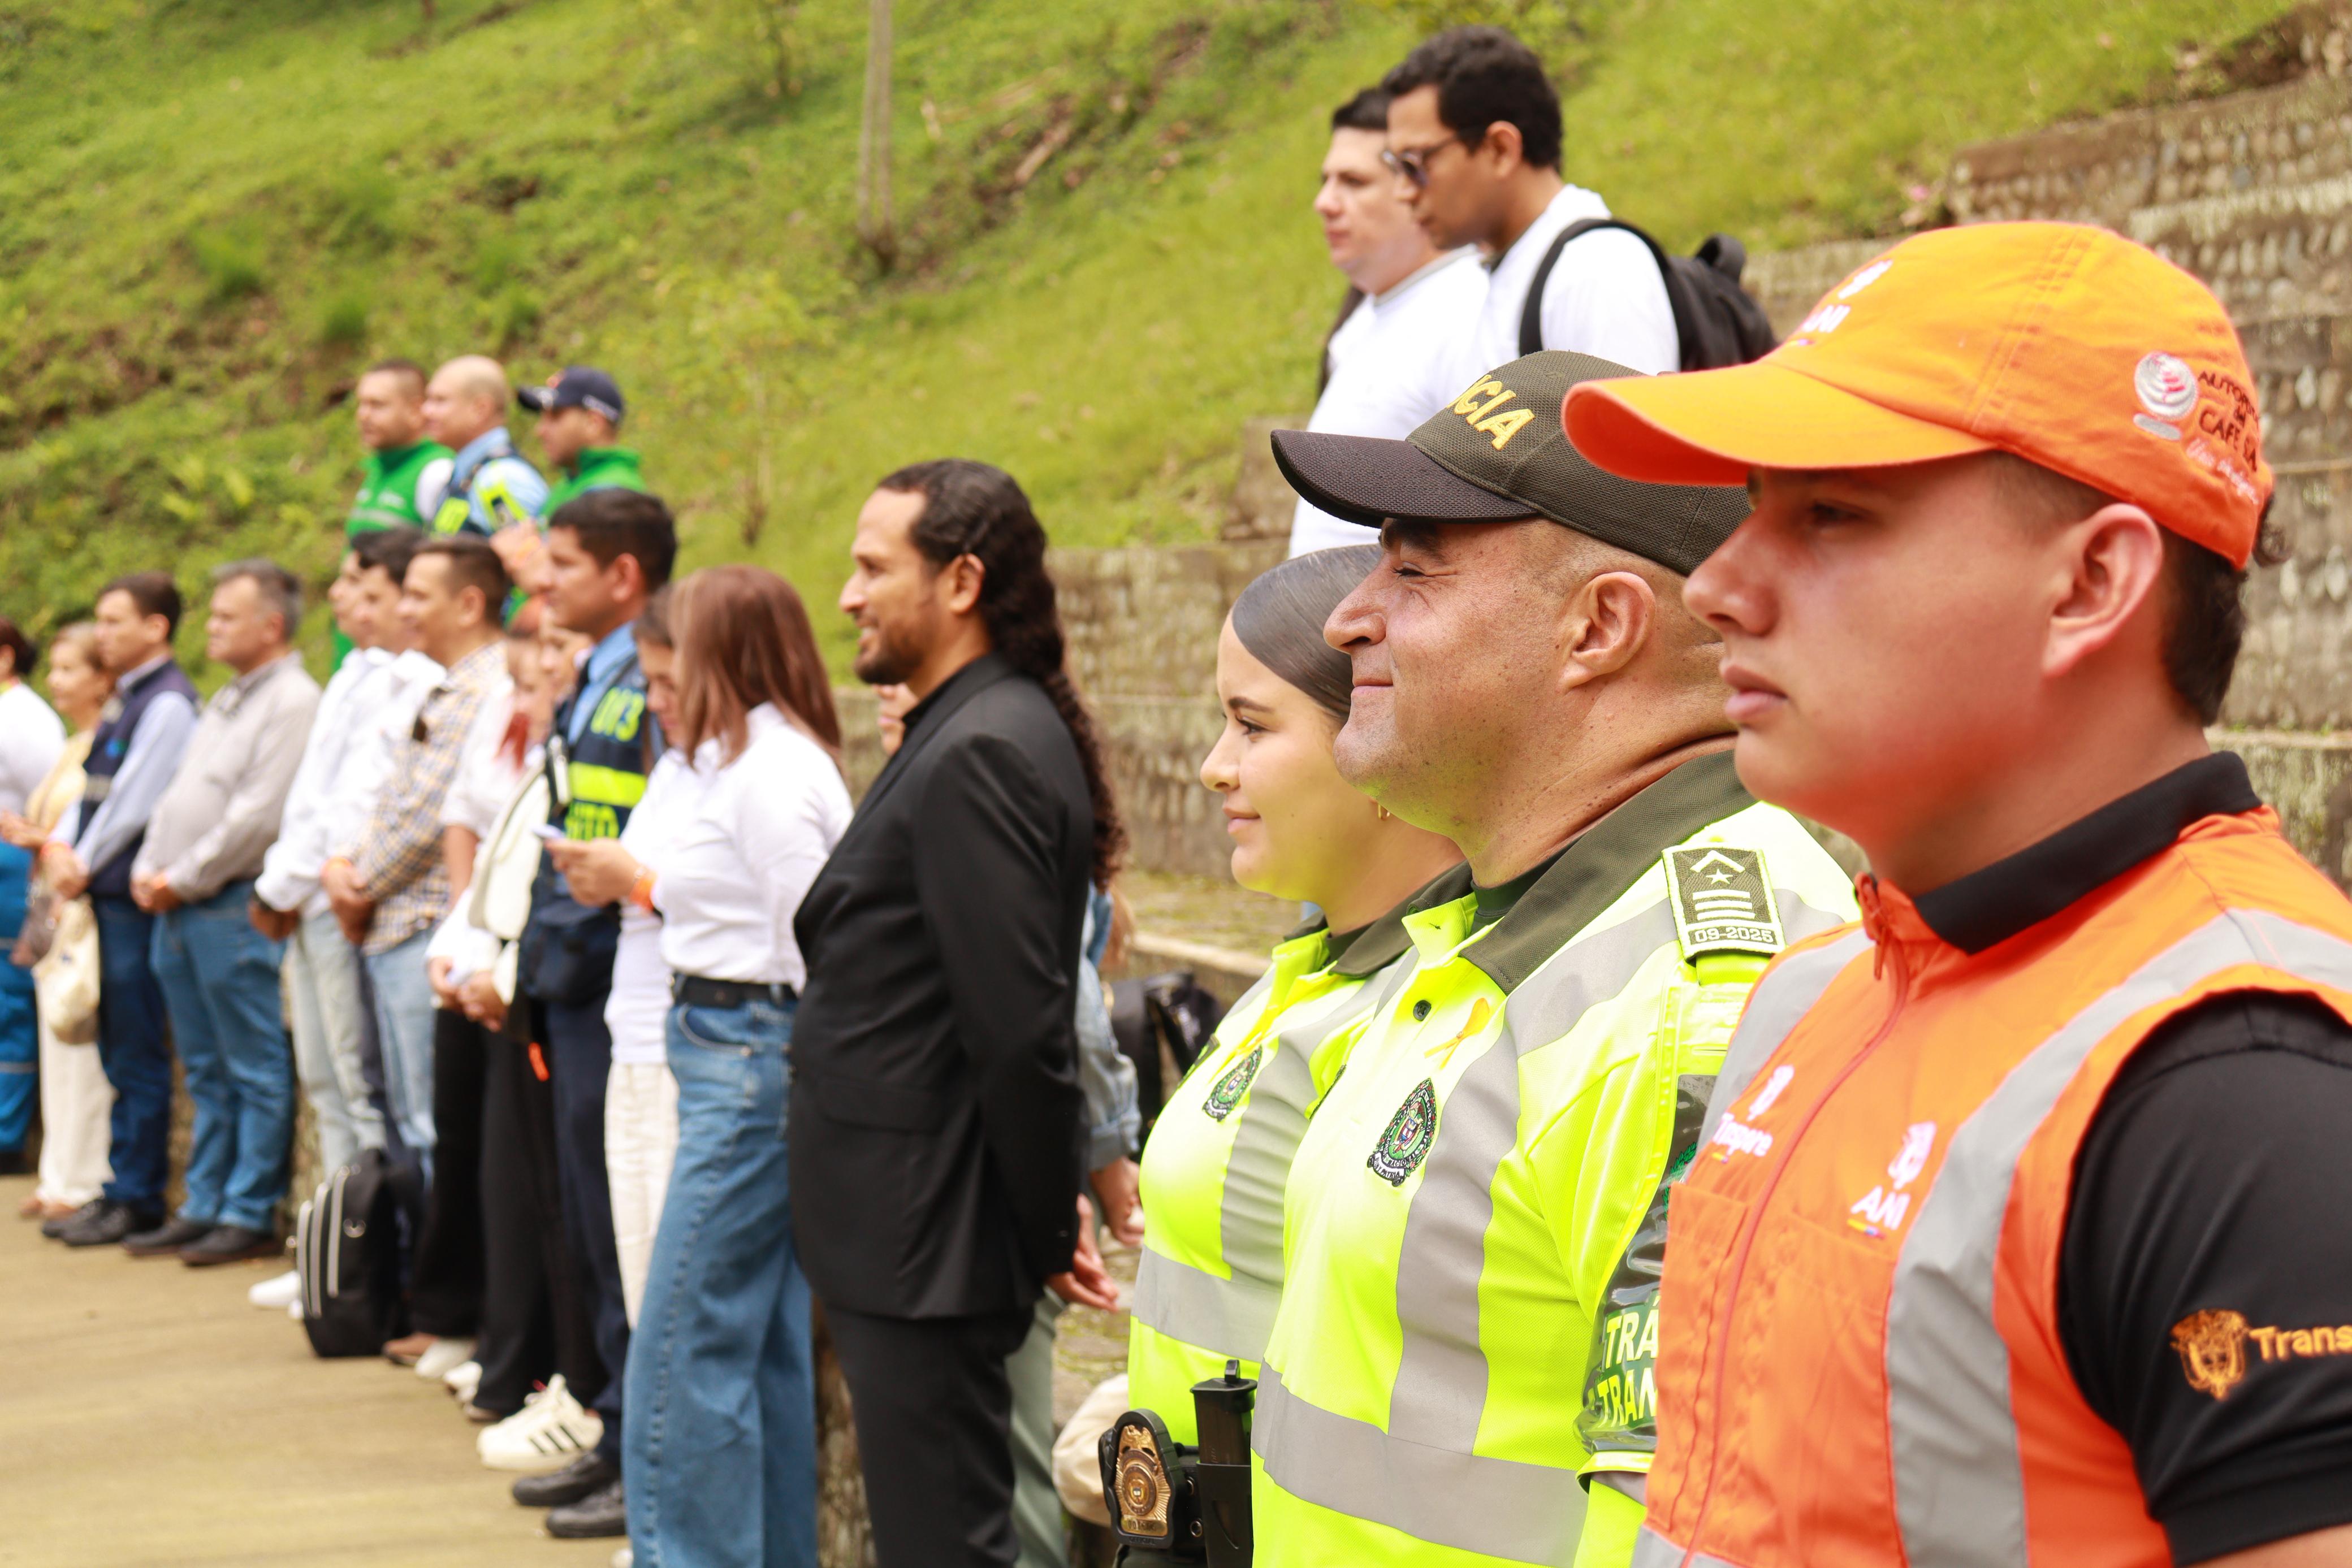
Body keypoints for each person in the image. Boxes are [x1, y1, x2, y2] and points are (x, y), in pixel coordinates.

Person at [1560, 223, 2352, 1567]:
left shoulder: (2237, 1086)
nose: (1718, 584)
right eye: (1752, 506)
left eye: (1830, 515)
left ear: (2092, 582)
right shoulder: (1818, 991)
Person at [1253, 351, 1857, 1567]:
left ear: (1599, 628)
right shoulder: (1505, 924)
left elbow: (1687, 1522)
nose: (1344, 616)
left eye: (1411, 569)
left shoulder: (1705, 993)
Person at [793, 460, 1122, 1568]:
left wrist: (1035, 1229)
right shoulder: (965, 726)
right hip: (910, 1238)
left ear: (963, 581)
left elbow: (1020, 1033)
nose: (847, 593)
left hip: (930, 1246)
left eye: (872, 566)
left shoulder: (983, 746)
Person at [529, 565, 844, 1565]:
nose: (654, 695)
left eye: (670, 675)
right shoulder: (735, 765)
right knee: (749, 1344)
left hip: (751, 1053)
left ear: (723, 660)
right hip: (721, 1041)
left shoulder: (778, 776)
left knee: (684, 1337)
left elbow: (817, 948)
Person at [1123, 544, 1463, 1448]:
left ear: (1379, 741)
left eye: (1252, 726)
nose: (1212, 767)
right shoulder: (1309, 971)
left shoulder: (1436, 1009)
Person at [498, 487, 677, 1516]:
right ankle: (611, 1419)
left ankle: (632, 1442)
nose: (543, 580)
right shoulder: (597, 672)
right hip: (571, 973)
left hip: (621, 976)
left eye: (562, 563)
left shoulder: (653, 678)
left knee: (621, 1230)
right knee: (584, 1217)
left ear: (623, 574)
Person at [122, 561, 321, 1264]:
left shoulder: (293, 701)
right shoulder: (230, 696)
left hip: (229, 902)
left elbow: (256, 817)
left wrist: (180, 875)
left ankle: (246, 1208)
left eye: (226, 616)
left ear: (271, 625)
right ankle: (204, 1200)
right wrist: (152, 864)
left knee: (253, 1061)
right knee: (204, 1065)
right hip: (177, 902)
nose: (211, 626)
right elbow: (180, 795)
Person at [328, 537, 513, 1181]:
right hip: (396, 924)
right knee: (407, 1116)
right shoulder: (446, 684)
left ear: (468, 604)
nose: (403, 610)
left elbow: (425, 818)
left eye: (416, 595)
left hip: (425, 925)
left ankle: (439, 1276)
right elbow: (386, 796)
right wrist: (345, 872)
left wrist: (357, 883)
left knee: (433, 1124)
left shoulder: (486, 688)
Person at [254, 529, 422, 1185]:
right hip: (307, 892)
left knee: (362, 1084)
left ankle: (366, 1264)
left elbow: (356, 805)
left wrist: (287, 884)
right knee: (324, 1077)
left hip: (341, 894)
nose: (343, 596)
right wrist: (281, 885)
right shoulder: (356, 669)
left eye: (364, 586)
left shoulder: (407, 679)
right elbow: (312, 794)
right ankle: (331, 1256)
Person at [41, 573, 199, 1248]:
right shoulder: (124, 701)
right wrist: (68, 850)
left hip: (129, 898)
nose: (101, 633)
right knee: (114, 1042)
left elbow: (135, 801)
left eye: (113, 621)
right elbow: (92, 793)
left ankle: (138, 1195)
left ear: (155, 627)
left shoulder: (166, 704)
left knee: (137, 1046)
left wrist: (81, 858)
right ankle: (118, 1184)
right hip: (100, 891)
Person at [1381, 27, 1676, 383]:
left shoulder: (1595, 270)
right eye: (1394, 166)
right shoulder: (1506, 269)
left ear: (1500, 150)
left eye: (1414, 164)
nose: (1402, 192)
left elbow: (1633, 438)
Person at [1290, 88, 1486, 557]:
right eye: (1326, 180)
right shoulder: (1367, 317)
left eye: (1353, 182)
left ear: (1413, 185)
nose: (1324, 202)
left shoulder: (1470, 311)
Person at [2, 624, 115, 1217]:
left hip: (82, 910)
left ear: (102, 677)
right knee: (55, 1037)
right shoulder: (76, 742)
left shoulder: (104, 743)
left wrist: (39, 838)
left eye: (70, 669)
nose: (56, 680)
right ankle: (58, 1176)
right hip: (49, 905)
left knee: (80, 1040)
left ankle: (85, 1177)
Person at [0, 616, 64, 1173]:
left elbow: (50, 797)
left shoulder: (26, 717)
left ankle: (6, 1132)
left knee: (10, 998)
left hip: (13, 864)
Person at [421, 354, 552, 599]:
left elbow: (533, 574)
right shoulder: (466, 473)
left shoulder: (500, 480)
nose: (426, 411)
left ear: (480, 409)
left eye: (440, 401)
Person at [522, 367, 647, 516]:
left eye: (555, 417)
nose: (540, 431)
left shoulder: (614, 497)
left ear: (593, 423)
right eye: (543, 418)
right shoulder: (565, 487)